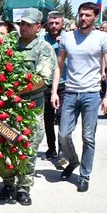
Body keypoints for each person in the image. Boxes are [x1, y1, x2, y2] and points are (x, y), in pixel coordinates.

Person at [50, 2, 107, 192]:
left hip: (91, 94)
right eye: (81, 15)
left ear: (95, 17)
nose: (83, 18)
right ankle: (73, 161)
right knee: (63, 135)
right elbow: (59, 65)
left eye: (87, 15)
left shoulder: (103, 38)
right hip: (70, 92)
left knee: (89, 138)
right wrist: (55, 91)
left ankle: (85, 175)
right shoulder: (67, 37)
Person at [0, 8, 57, 205]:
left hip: (32, 107)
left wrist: (14, 90)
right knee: (6, 146)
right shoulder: (10, 45)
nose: (24, 27)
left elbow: (41, 79)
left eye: (28, 24)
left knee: (28, 148)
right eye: (22, 23)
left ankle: (23, 187)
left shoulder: (44, 48)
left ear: (38, 27)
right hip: (8, 108)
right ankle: (7, 183)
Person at [43, 11, 66, 161]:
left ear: (62, 24)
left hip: (65, 85)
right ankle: (52, 149)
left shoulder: (68, 39)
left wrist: (63, 45)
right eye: (51, 23)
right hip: (46, 84)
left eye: (57, 23)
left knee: (64, 119)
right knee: (48, 119)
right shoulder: (41, 40)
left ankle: (63, 151)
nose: (54, 26)